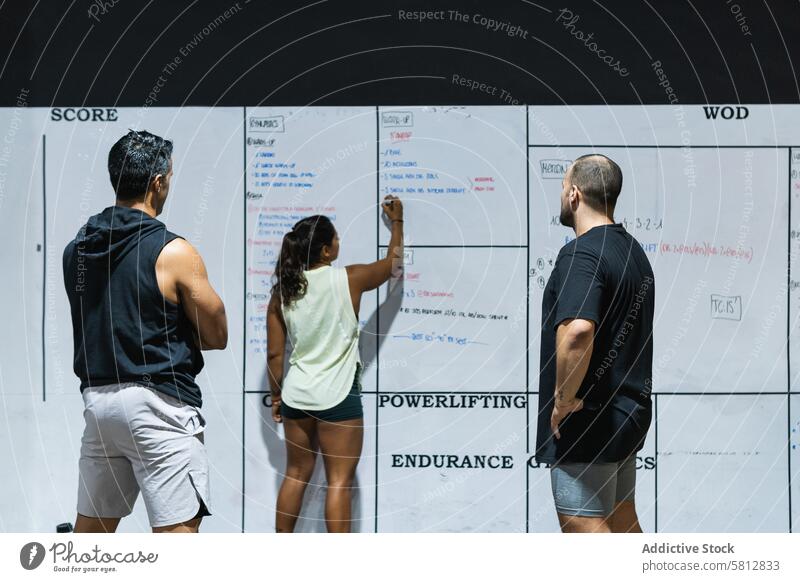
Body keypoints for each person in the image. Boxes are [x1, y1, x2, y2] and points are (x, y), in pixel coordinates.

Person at [63, 130, 227, 533]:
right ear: (157, 183)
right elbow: (217, 332)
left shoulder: (78, 249)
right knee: (177, 538)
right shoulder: (173, 252)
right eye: (169, 176)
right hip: (158, 405)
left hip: (99, 403)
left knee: (92, 541)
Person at [266, 195, 404, 532]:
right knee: (338, 480)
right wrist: (398, 223)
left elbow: (274, 355)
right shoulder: (350, 278)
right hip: (339, 397)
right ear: (327, 251)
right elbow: (393, 265)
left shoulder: (283, 291)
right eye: (336, 238)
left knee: (296, 474)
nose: (340, 241)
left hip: (297, 396)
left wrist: (278, 396)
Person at [534, 154, 655, 533]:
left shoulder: (582, 253)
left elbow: (577, 332)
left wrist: (564, 399)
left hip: (589, 421)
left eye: (561, 187)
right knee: (621, 519)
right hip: (625, 415)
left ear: (574, 195)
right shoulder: (632, 251)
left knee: (583, 526)